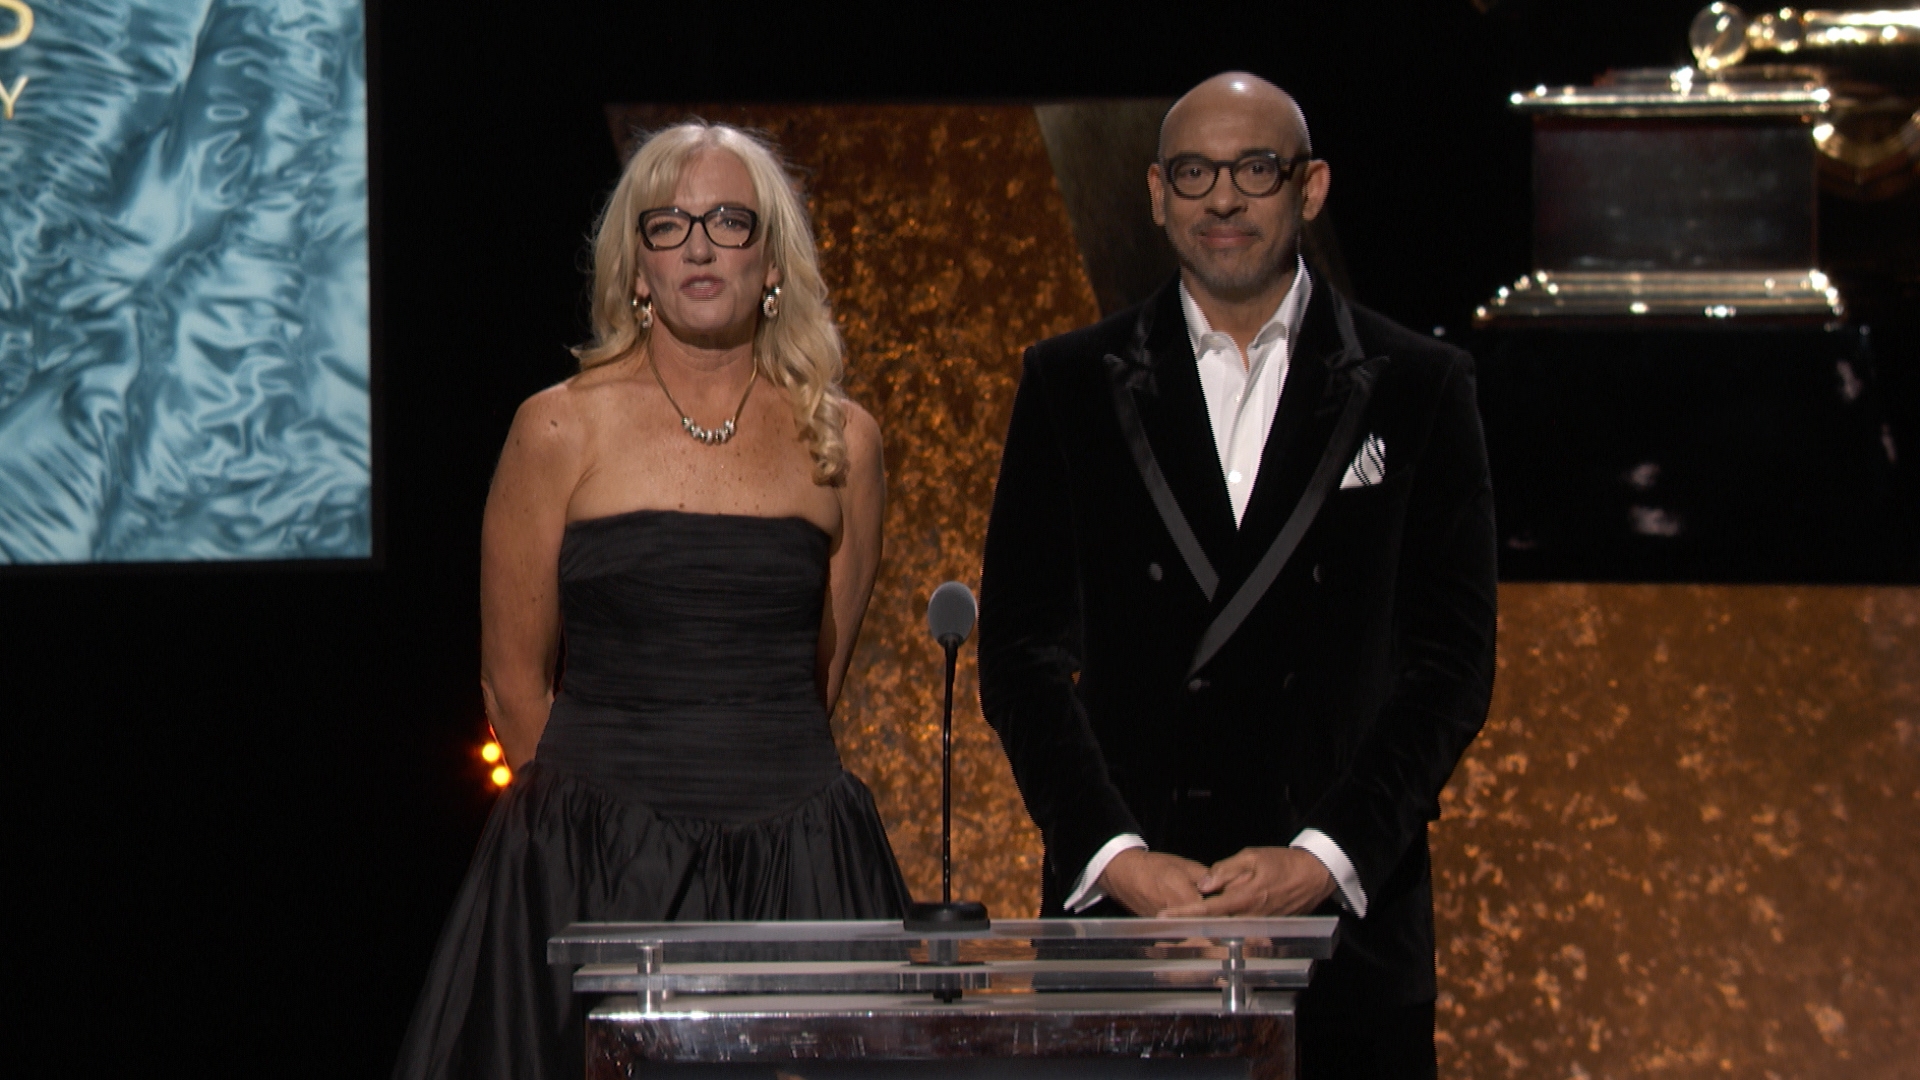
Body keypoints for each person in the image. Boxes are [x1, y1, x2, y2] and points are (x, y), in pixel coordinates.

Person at [977, 73, 1497, 1080]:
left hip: (1346, 935)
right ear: (1157, 192)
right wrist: (1119, 862)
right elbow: (1019, 651)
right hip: (1131, 933)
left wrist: (1320, 861)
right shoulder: (1068, 385)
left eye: (1255, 168)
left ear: (1310, 188)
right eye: (1194, 171)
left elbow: (1450, 665)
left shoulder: (1422, 385)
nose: (1222, 198)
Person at [394, 122, 910, 1080]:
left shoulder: (845, 441)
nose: (701, 244)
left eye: (728, 220)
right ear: (636, 266)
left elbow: (820, 671)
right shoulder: (555, 427)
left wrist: (747, 805)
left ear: (771, 262)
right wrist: (600, 836)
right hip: (589, 868)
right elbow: (512, 686)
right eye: (668, 225)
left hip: (800, 865)